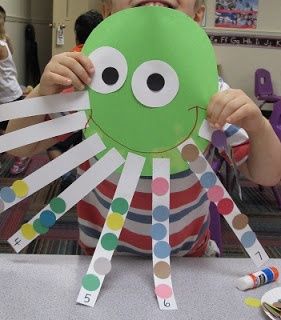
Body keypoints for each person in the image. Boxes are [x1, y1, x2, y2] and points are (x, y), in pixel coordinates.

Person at [6, 0, 281, 257]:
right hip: (101, 258)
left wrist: (258, 126)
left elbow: (267, 175)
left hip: (187, 259)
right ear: (108, 12)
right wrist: (42, 92)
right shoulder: (89, 86)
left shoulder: (211, 92)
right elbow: (19, 145)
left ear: (197, 14)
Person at [46, 10, 103, 190]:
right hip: (94, 120)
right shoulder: (106, 58)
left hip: (66, 116)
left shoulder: (70, 56)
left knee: (53, 145)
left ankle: (65, 174)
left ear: (77, 36)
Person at [0, 6, 30, 175]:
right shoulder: (5, 39)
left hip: (8, 95)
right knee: (9, 128)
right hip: (11, 90)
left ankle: (22, 155)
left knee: (11, 130)